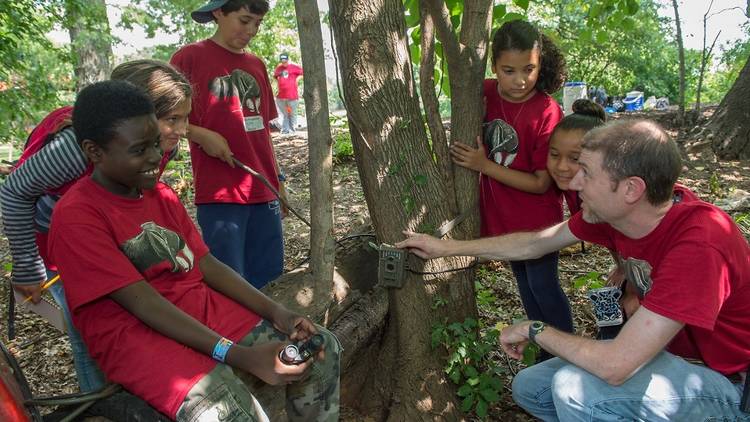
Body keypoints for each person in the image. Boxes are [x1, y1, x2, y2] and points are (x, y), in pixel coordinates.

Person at [397, 119, 750, 420]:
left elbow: (616, 365)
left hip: (729, 383)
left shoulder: (699, 243)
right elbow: (535, 243)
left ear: (631, 189)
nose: (574, 182)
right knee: (532, 386)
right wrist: (446, 248)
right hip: (669, 359)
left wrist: (534, 328)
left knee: (576, 392)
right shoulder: (617, 215)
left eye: (587, 172)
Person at [48, 80, 340, 421]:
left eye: (156, 144)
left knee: (321, 351)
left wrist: (279, 313)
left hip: (196, 309)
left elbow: (206, 264)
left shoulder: (160, 195)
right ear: (94, 151)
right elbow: (145, 305)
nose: (156, 157)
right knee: (228, 411)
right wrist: (240, 356)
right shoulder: (77, 216)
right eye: (139, 150)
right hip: (136, 338)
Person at [0, 59, 192, 393]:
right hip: (61, 246)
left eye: (185, 119)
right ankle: (103, 404)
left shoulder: (160, 145)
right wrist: (29, 269)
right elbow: (14, 192)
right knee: (90, 333)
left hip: (113, 236)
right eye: (171, 119)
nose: (181, 130)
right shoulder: (75, 151)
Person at [450, 20, 572, 351]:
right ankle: (547, 353)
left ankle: (568, 352)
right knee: (525, 286)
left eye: (529, 69)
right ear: (493, 67)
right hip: (504, 217)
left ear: (540, 65)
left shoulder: (547, 110)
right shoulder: (484, 92)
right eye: (509, 70)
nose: (519, 80)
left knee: (543, 286)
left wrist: (483, 165)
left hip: (537, 221)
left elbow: (539, 182)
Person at [170, 0, 287, 289]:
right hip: (220, 193)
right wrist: (200, 134)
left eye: (257, 24)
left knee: (270, 276)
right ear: (219, 12)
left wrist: (279, 181)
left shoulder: (256, 64)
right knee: (230, 279)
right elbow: (163, 116)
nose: (251, 31)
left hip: (263, 188)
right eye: (244, 20)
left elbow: (264, 133)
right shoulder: (189, 58)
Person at [273, 53, 303, 134]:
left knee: (291, 113)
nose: (284, 62)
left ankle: (292, 130)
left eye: (285, 60)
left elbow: (302, 73)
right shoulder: (279, 68)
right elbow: (275, 77)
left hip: (292, 96)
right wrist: (279, 85)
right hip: (282, 97)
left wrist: (296, 80)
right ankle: (286, 130)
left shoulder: (293, 67)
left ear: (287, 59)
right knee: (285, 113)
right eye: (282, 61)